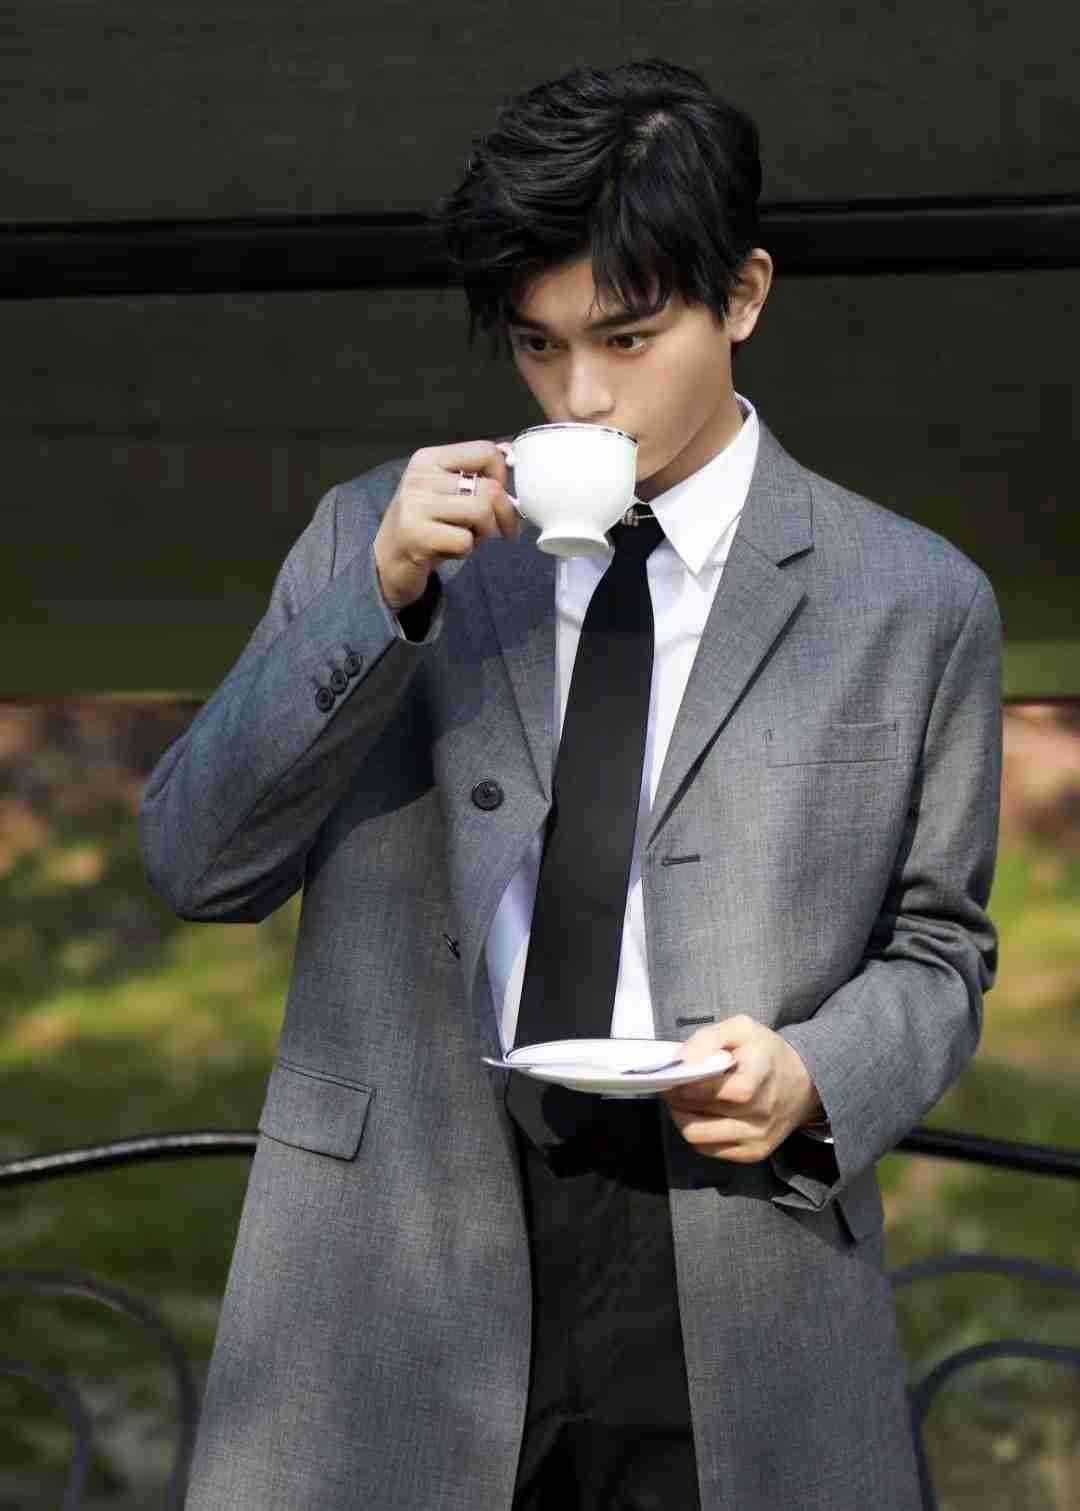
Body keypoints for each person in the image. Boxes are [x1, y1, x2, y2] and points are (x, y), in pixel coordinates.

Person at [140, 57, 1001, 1511]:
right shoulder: (378, 538)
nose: (583, 397)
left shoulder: (913, 601)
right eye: (539, 348)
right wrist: (381, 600)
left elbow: (941, 949)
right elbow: (196, 861)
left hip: (741, 1266)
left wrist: (819, 1073)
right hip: (396, 1263)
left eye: (628, 337)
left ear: (743, 295)